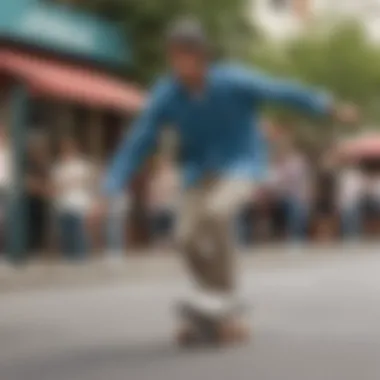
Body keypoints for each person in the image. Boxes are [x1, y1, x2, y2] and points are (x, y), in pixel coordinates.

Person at [90, 18, 357, 343]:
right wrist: (110, 187)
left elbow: (279, 90)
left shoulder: (233, 81)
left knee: (216, 214)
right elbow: (139, 140)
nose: (179, 64)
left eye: (185, 55)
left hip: (241, 166)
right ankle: (213, 301)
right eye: (173, 56)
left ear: (202, 55)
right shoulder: (166, 94)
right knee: (184, 237)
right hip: (197, 173)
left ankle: (222, 298)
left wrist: (325, 105)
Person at [52, 137, 96, 260]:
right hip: (63, 205)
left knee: (80, 234)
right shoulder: (58, 167)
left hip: (79, 205)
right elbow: (55, 185)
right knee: (66, 235)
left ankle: (81, 258)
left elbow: (90, 184)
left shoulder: (82, 166)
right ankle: (68, 259)